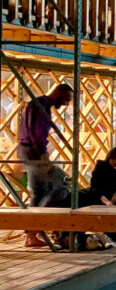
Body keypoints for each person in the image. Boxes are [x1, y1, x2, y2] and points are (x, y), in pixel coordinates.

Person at [17, 83, 74, 247]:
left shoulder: (42, 105)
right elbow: (35, 132)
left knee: (41, 192)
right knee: (51, 190)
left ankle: (33, 232)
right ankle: (33, 232)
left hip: (32, 151)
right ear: (59, 94)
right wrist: (42, 155)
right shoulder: (40, 106)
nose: (65, 104)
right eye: (65, 100)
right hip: (33, 152)